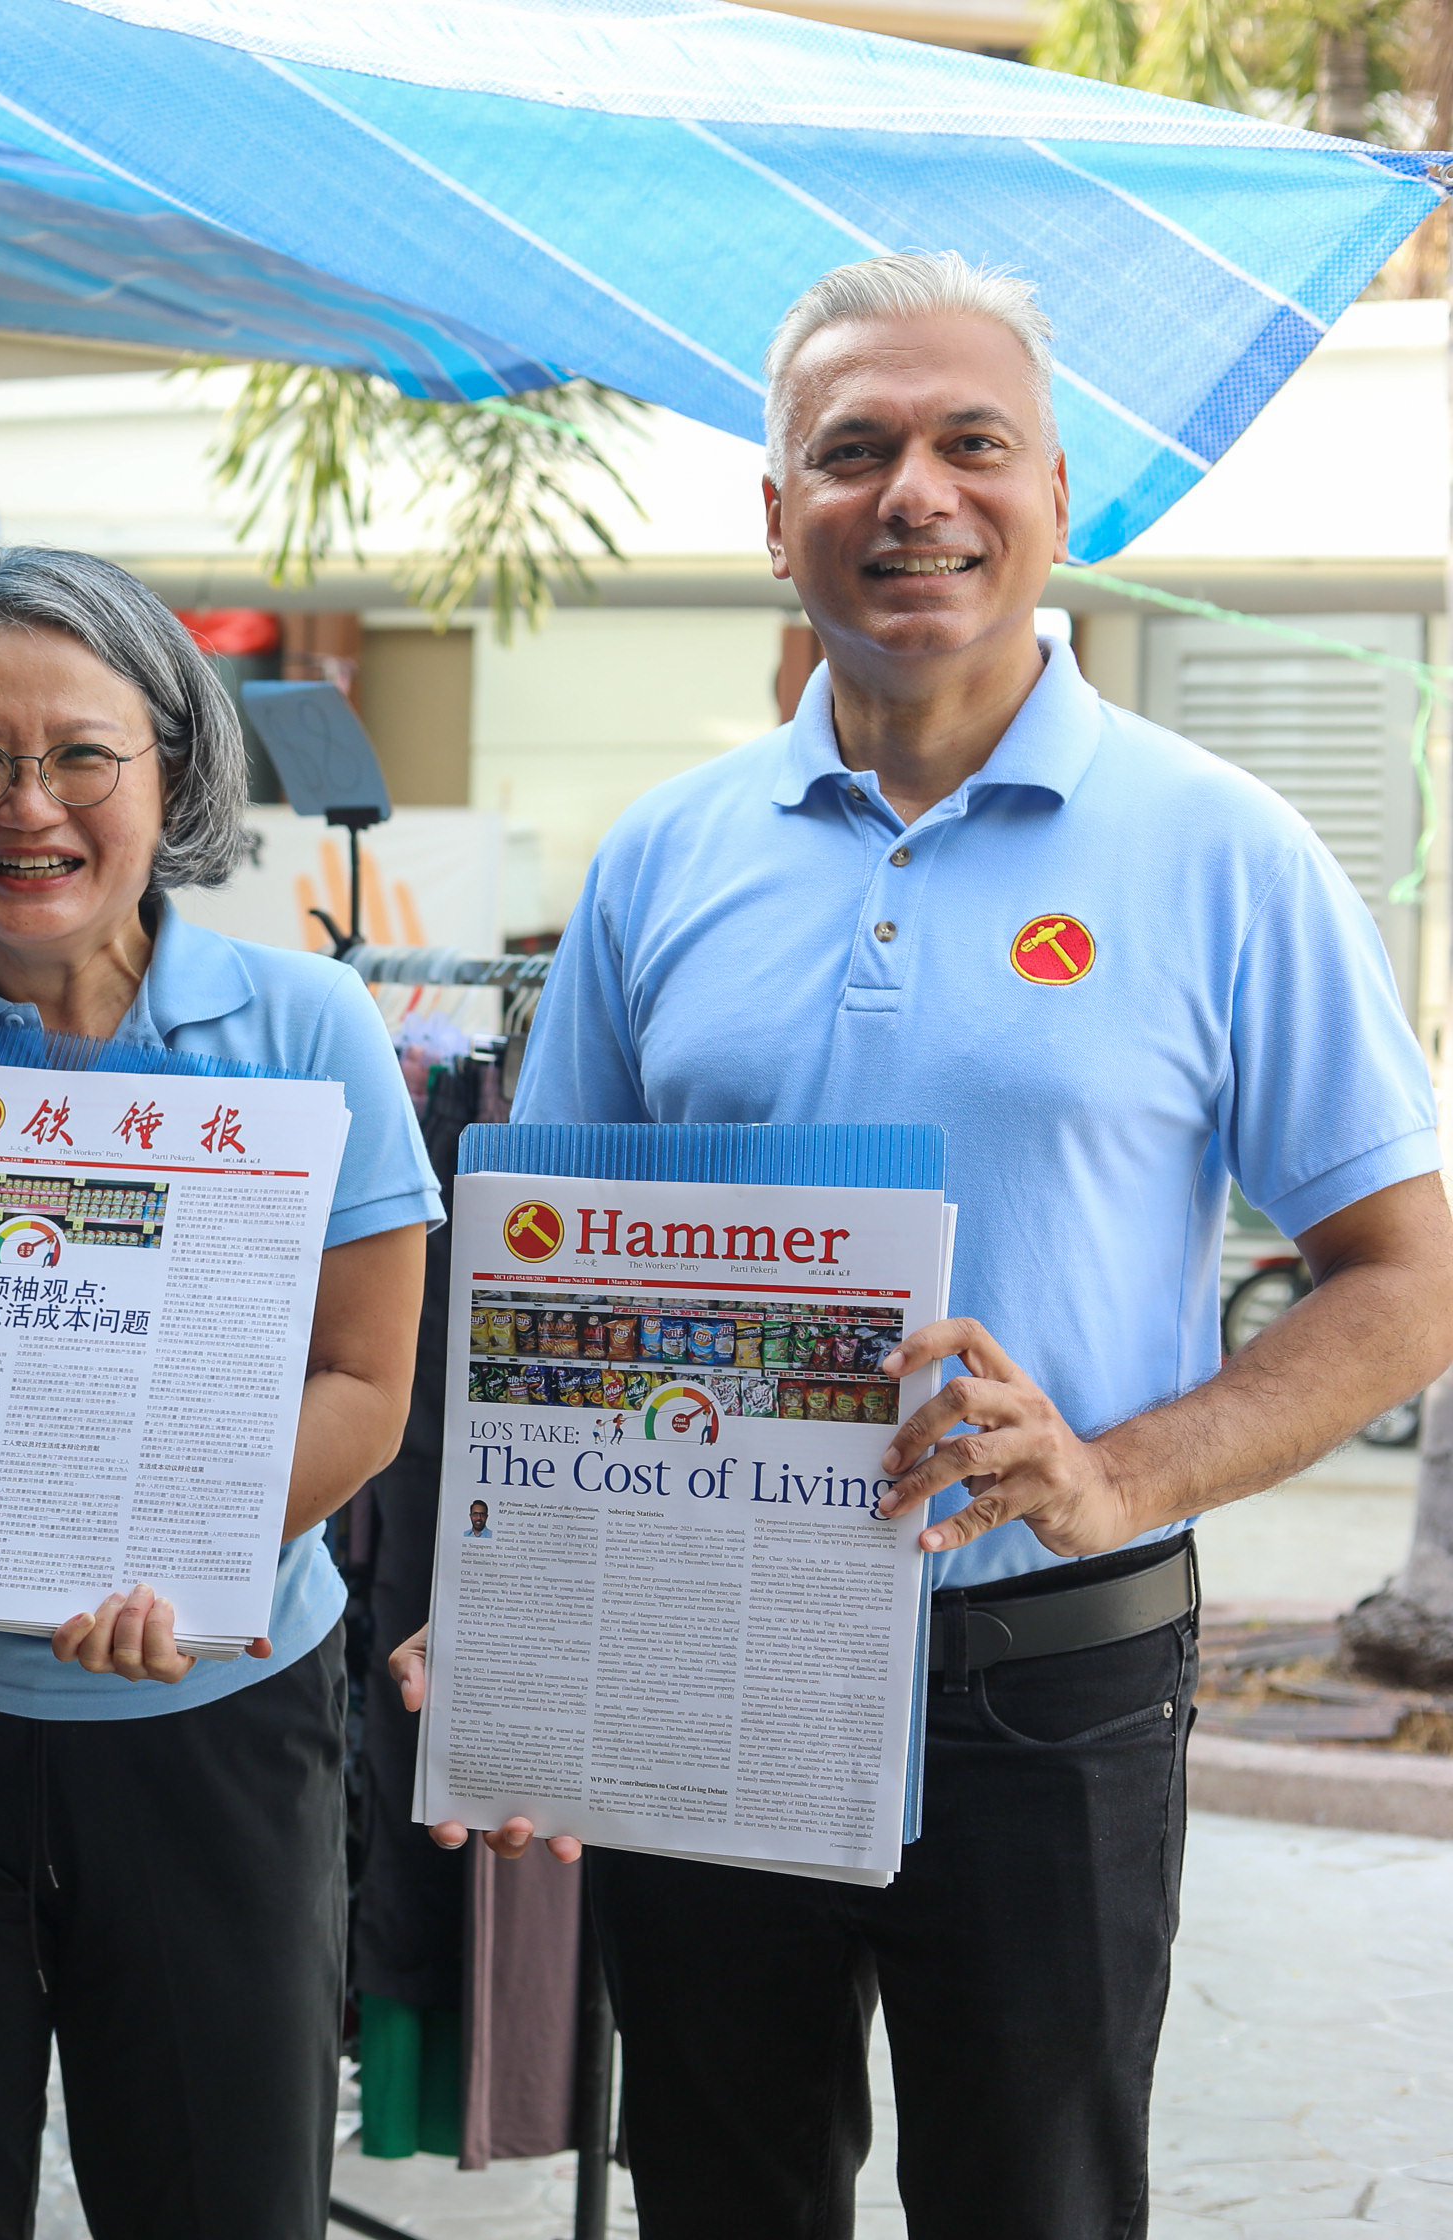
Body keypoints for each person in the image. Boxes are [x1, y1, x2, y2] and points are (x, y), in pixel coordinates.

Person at [400, 252, 1453, 2238]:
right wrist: (520, 1603)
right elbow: (547, 1280)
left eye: (973, 443)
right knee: (720, 2188)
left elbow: (1410, 1275)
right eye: (852, 448)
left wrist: (1116, 1468)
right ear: (776, 510)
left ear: (1060, 493)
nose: (915, 495)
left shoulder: (1221, 848)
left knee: (1034, 2200)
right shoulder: (666, 857)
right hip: (705, 1643)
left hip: (1052, 1670)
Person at [0, 547, 440, 2239]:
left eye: (80, 755)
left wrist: (187, 1556)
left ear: (175, 770)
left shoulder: (306, 1026)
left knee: (221, 2201)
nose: (25, 804)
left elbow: (367, 1379)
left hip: (211, 1719)